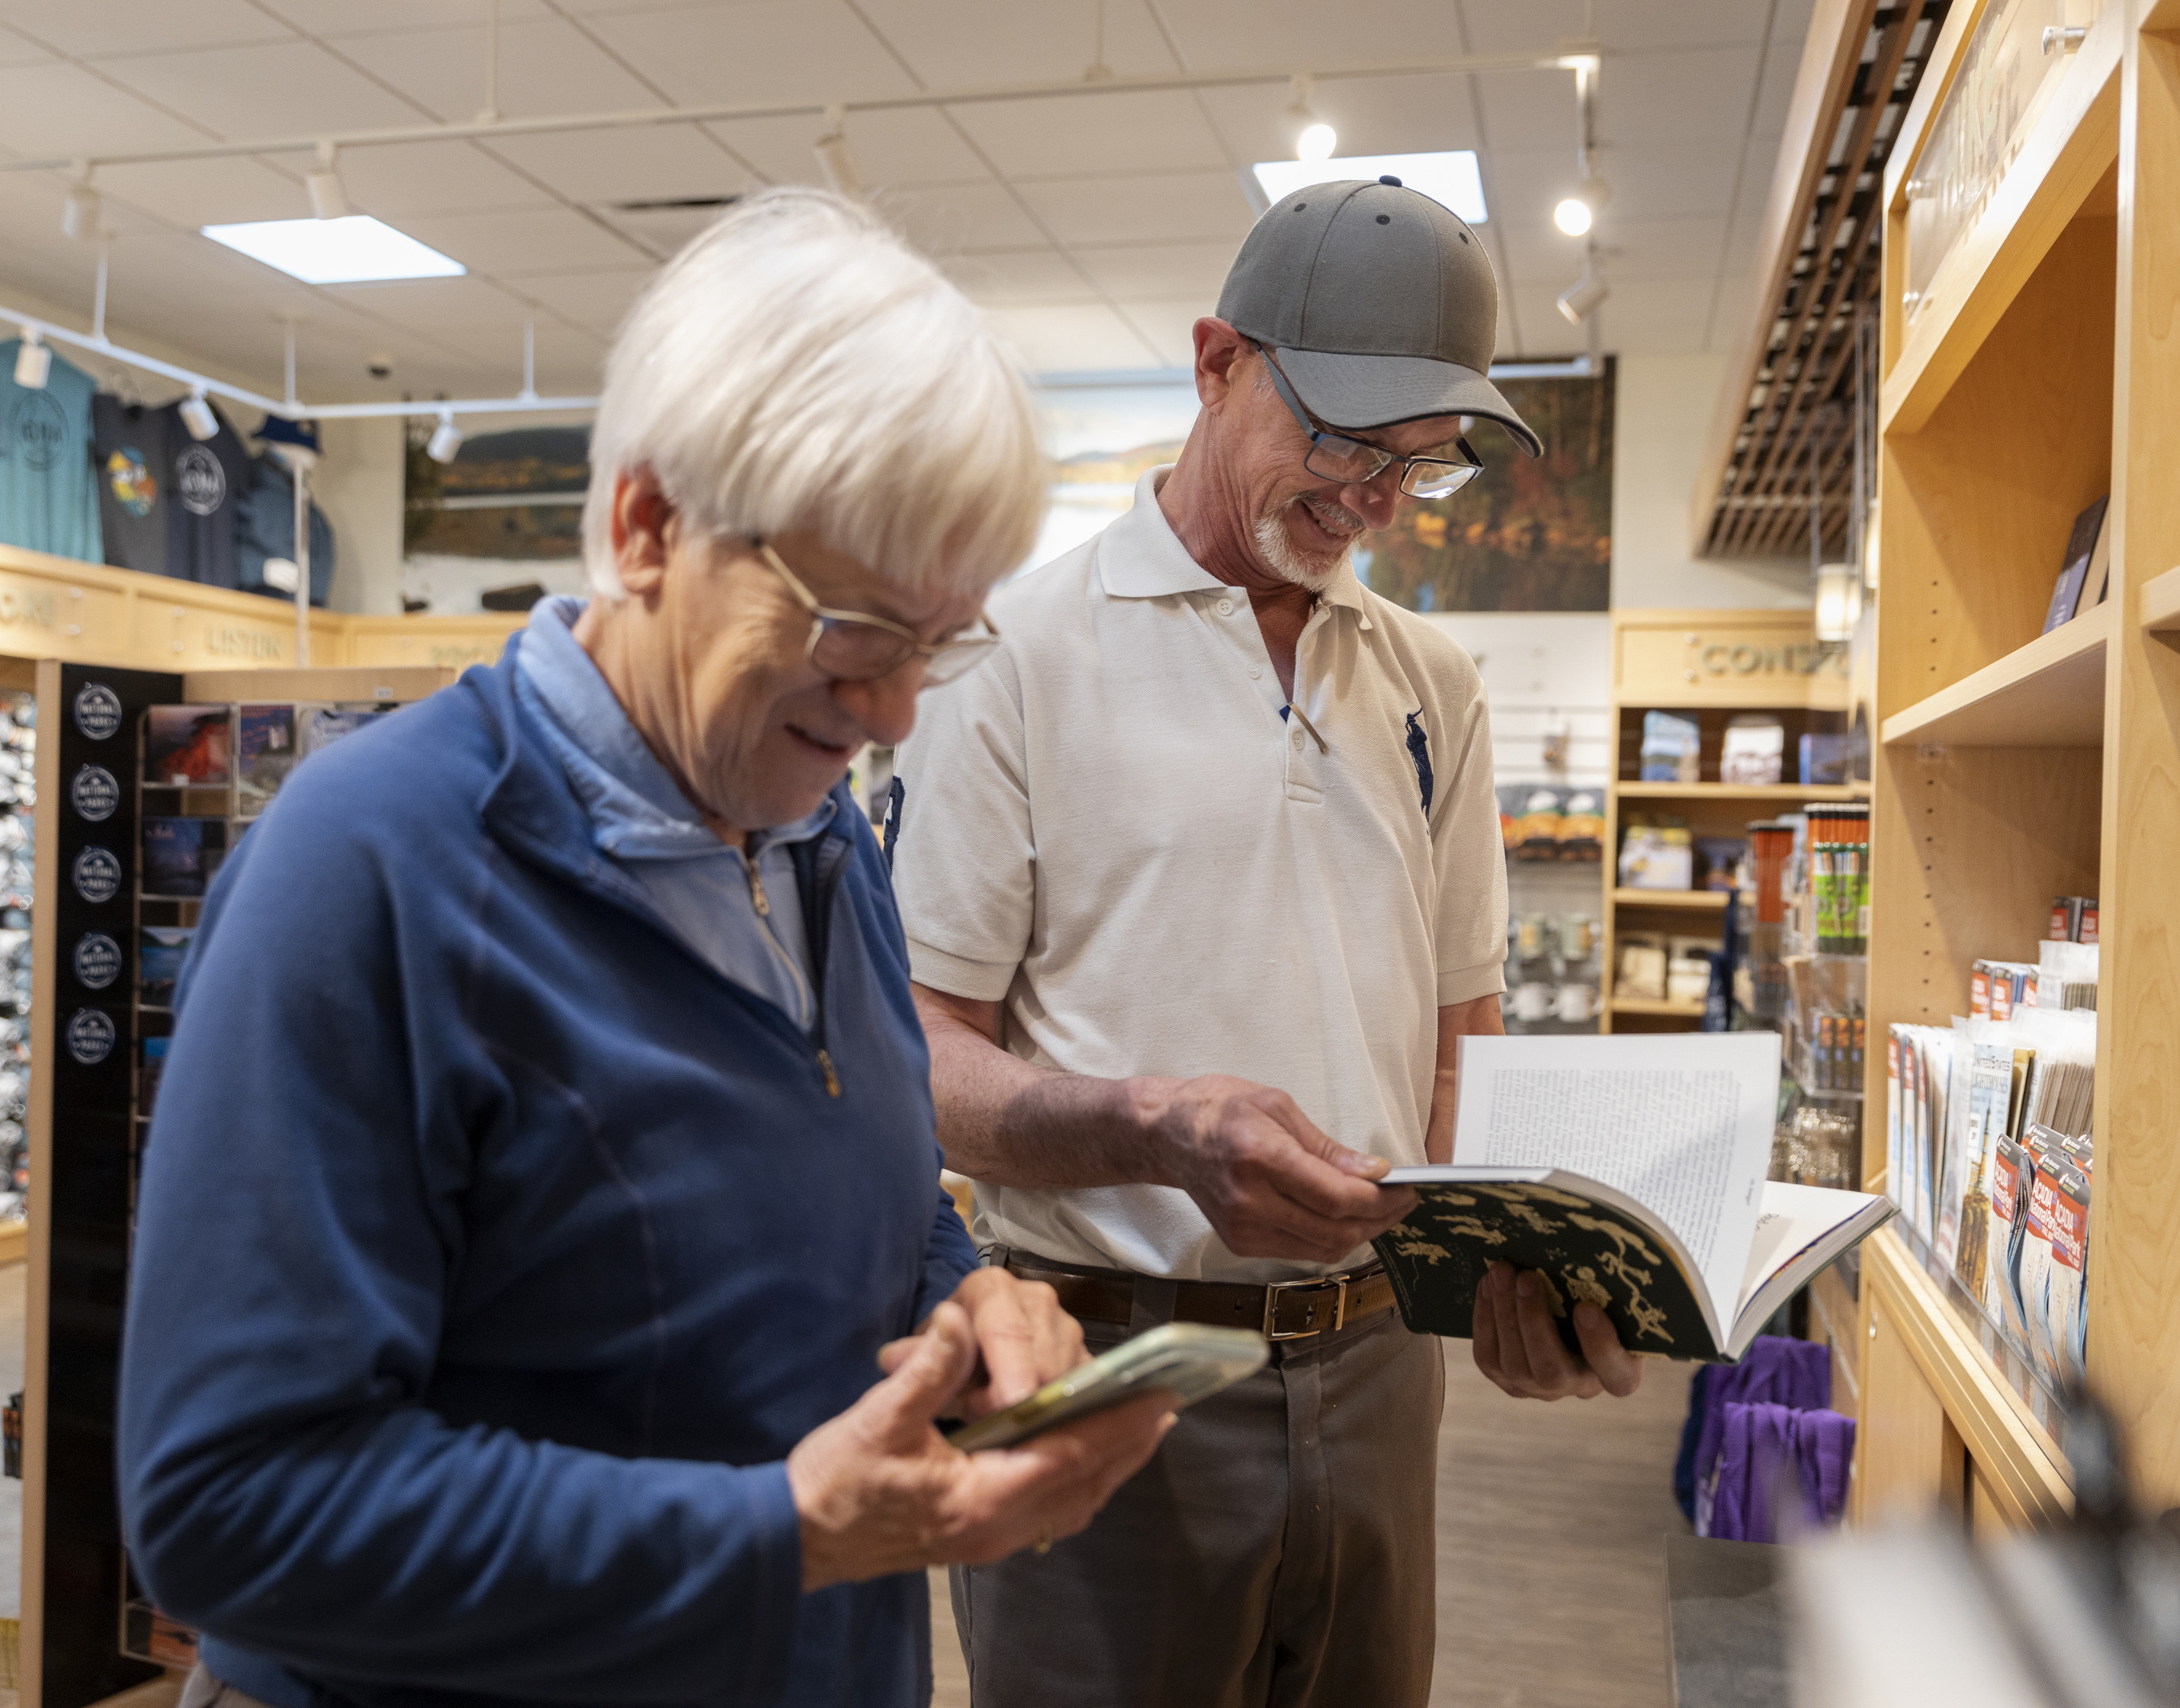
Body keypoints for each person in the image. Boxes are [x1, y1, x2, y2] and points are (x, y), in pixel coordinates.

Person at [116, 188, 1173, 1708]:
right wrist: (770, 1533)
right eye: (854, 628)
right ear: (647, 526)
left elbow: (840, 1189)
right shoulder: (372, 868)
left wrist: (962, 1299)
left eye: (941, 642)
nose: (896, 712)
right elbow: (227, 1509)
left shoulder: (811, 834)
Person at [889, 176, 1645, 1708]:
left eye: (1416, 468)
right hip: (1106, 1367)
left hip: (1382, 1371)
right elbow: (924, 1060)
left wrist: (1506, 1267)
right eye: (1347, 442)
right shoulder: (1008, 658)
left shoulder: (1433, 680)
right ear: (1215, 359)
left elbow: (1460, 1031)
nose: (1373, 501)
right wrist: (1155, 1128)